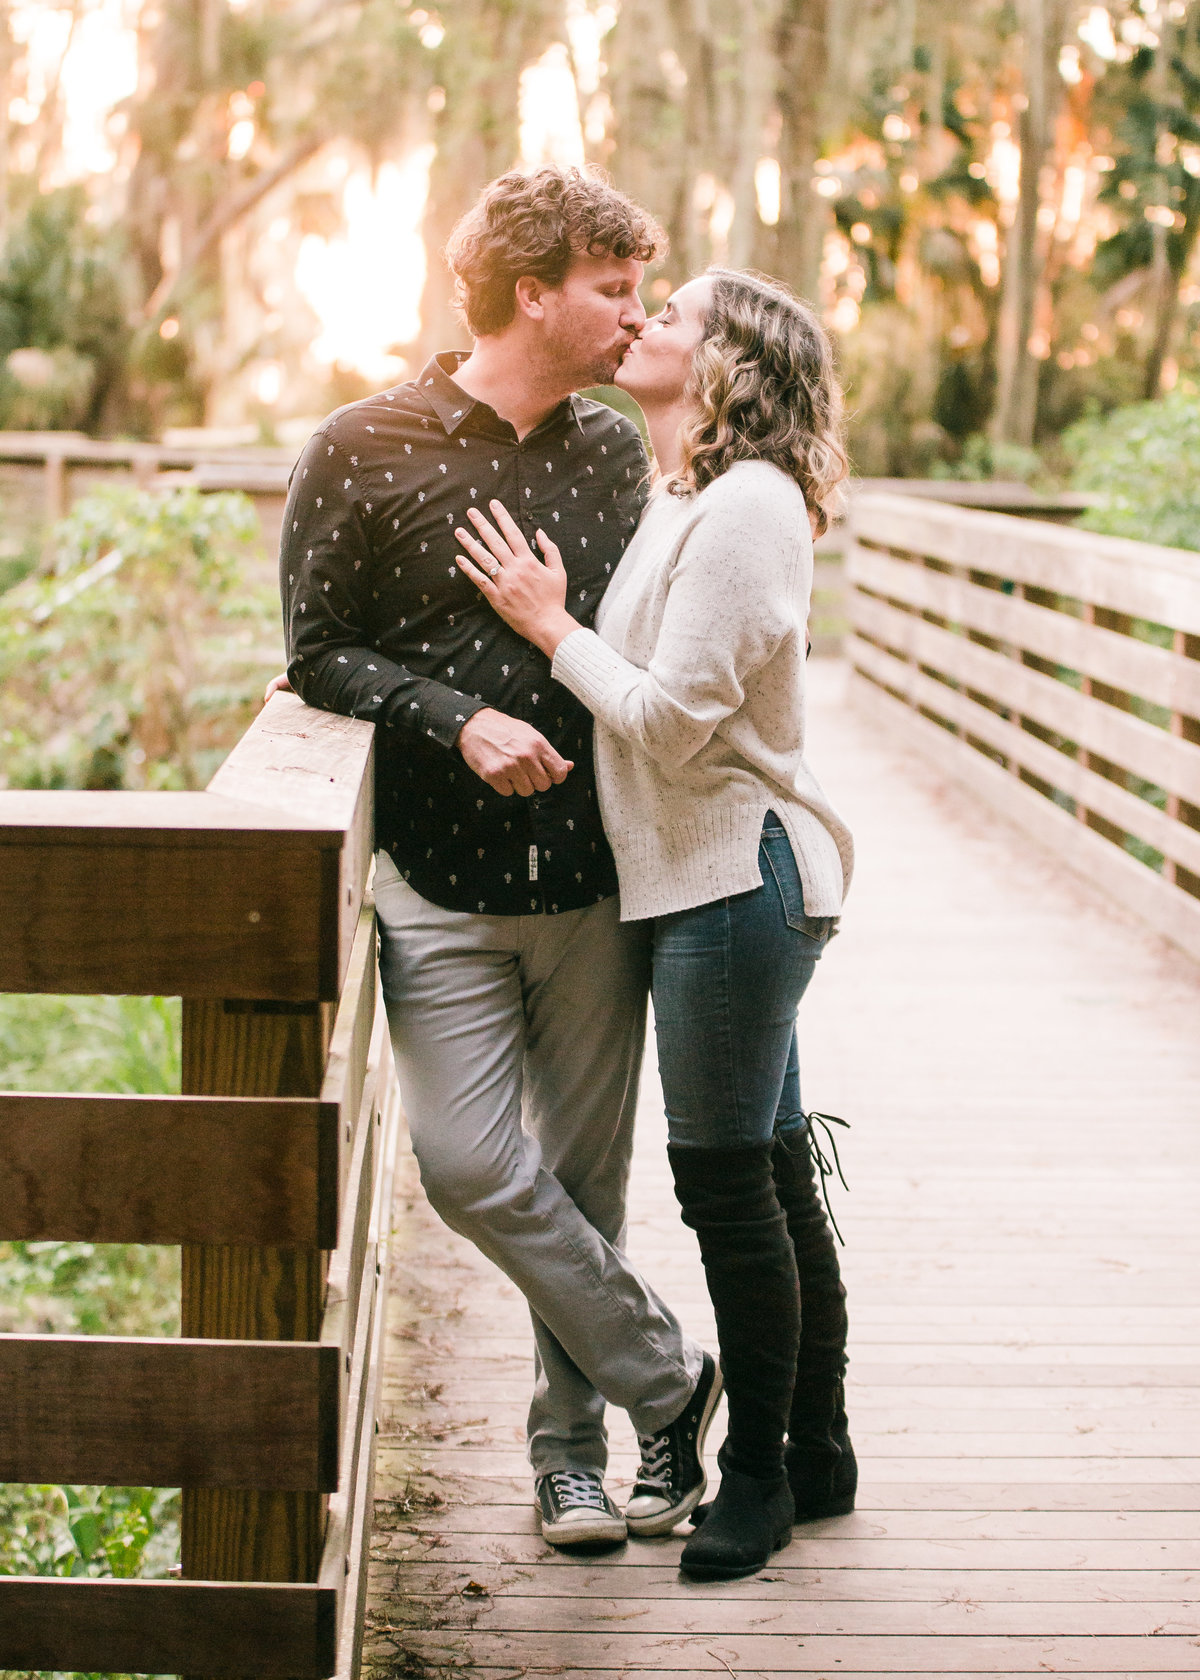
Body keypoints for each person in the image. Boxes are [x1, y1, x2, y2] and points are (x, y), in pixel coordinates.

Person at [276, 166, 724, 1553]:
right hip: (439, 882)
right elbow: (315, 652)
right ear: (533, 292)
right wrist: (450, 717)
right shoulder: (361, 442)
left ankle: (568, 1461)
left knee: (583, 1189)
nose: (632, 314)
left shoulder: (610, 455)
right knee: (472, 1169)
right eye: (610, 289)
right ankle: (671, 1375)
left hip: (596, 881)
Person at [452, 266, 857, 1580]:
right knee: (777, 1171)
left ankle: (762, 1479)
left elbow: (676, 719)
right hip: (705, 879)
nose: (644, 325)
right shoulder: (691, 496)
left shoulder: (745, 510)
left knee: (729, 1188)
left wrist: (554, 627)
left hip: (734, 881)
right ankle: (826, 1445)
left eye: (671, 315)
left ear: (730, 360)